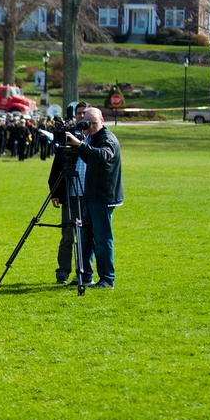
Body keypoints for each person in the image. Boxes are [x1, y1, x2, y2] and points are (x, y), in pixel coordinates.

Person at [65, 107, 123, 289]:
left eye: (93, 123)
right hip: (91, 195)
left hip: (104, 196)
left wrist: (81, 145)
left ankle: (107, 279)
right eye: (87, 123)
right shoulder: (92, 138)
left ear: (102, 120)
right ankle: (85, 275)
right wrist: (77, 145)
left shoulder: (107, 138)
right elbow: (90, 158)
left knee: (102, 238)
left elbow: (103, 155)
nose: (89, 127)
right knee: (85, 236)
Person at [50, 103, 88, 284]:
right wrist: (55, 192)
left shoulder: (95, 138)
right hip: (70, 193)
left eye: (85, 114)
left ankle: (84, 273)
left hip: (89, 195)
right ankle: (62, 272)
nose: (82, 117)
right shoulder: (68, 137)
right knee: (67, 234)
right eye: (79, 114)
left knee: (87, 235)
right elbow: (56, 168)